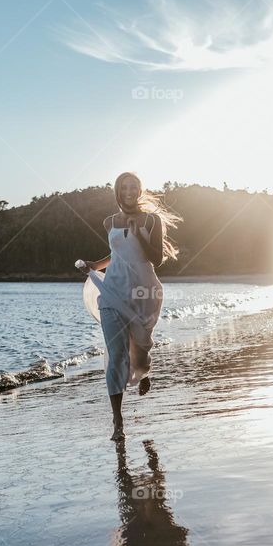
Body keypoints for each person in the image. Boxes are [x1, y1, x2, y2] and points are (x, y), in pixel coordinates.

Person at [78, 171, 181, 441]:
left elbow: (156, 259)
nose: (129, 191)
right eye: (124, 187)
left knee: (141, 349)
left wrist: (140, 235)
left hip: (143, 293)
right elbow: (117, 254)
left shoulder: (152, 220)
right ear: (118, 191)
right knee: (116, 355)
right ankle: (118, 421)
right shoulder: (109, 221)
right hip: (113, 293)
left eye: (133, 186)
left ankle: (144, 369)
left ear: (140, 190)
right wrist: (95, 265)